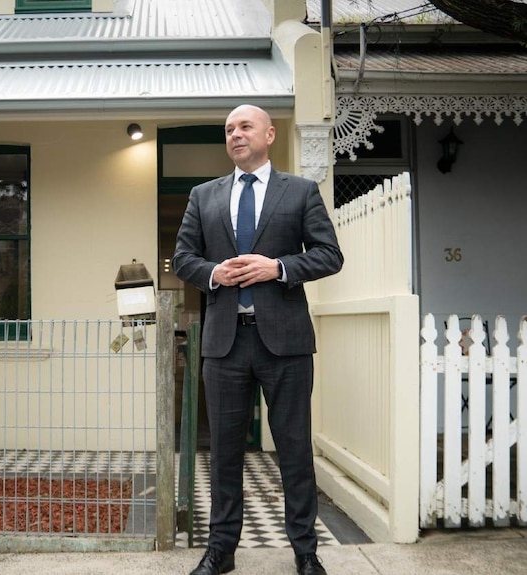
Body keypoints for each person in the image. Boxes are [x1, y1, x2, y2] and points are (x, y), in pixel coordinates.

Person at [172, 105, 343, 575]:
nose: (236, 134)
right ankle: (221, 551)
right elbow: (183, 258)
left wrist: (279, 267)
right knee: (224, 452)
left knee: (293, 448)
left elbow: (330, 255)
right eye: (229, 129)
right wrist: (213, 273)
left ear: (269, 134)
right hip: (224, 344)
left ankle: (305, 551)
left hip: (285, 342)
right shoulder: (203, 196)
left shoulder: (301, 192)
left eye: (245, 126)